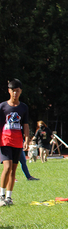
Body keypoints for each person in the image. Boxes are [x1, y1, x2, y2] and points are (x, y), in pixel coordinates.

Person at [0, 79, 30, 207]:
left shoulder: (23, 107)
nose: (15, 93)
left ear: (20, 91)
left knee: (13, 170)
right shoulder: (2, 107)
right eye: (13, 91)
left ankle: (9, 197)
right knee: (6, 168)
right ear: (9, 91)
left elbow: (26, 124)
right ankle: (1, 195)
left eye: (17, 91)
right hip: (5, 141)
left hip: (17, 142)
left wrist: (27, 139)